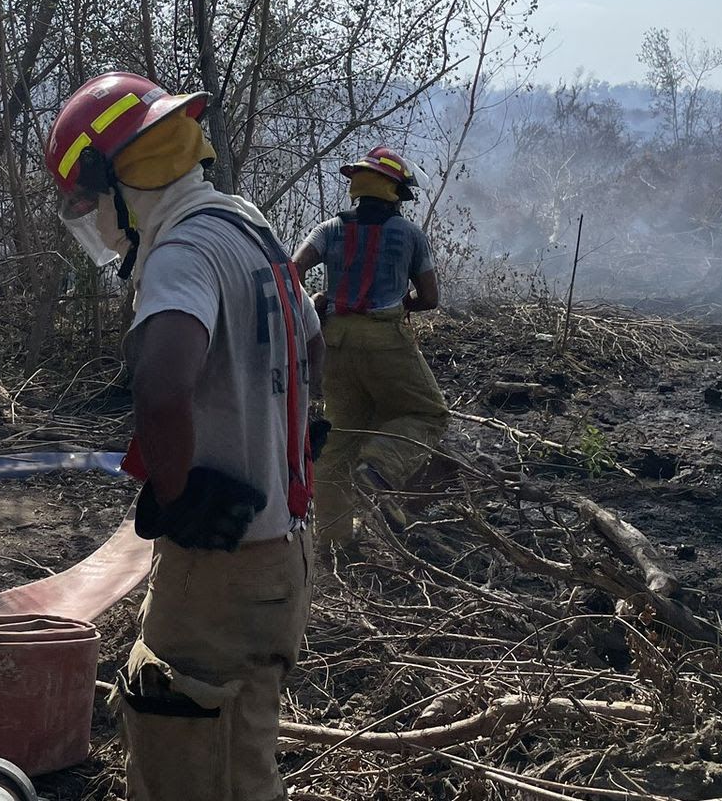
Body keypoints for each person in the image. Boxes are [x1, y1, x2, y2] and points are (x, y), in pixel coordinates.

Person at [43, 72, 322, 801]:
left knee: (187, 765)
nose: (90, 218)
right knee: (242, 758)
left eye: (88, 197)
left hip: (221, 572)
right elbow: (312, 344)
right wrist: (283, 432)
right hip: (282, 552)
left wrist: (177, 491)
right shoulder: (248, 226)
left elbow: (162, 383)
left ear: (117, 178)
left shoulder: (181, 254)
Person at [293, 145, 450, 550]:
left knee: (338, 442)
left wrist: (317, 301)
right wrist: (403, 303)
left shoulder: (329, 229)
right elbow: (430, 297)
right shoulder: (410, 235)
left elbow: (291, 272)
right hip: (385, 339)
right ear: (396, 193)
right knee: (427, 411)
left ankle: (333, 542)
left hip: (335, 343)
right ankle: (379, 467)